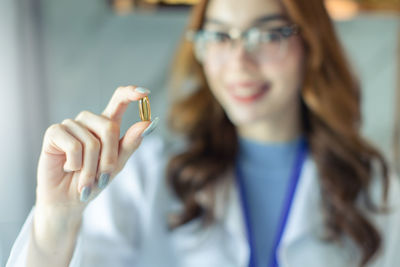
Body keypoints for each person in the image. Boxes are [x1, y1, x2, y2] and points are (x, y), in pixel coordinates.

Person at [6, 0, 400, 266]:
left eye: (267, 34)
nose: (239, 62)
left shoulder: (378, 190)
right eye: (218, 36)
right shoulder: (144, 175)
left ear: (312, 45)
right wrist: (55, 220)